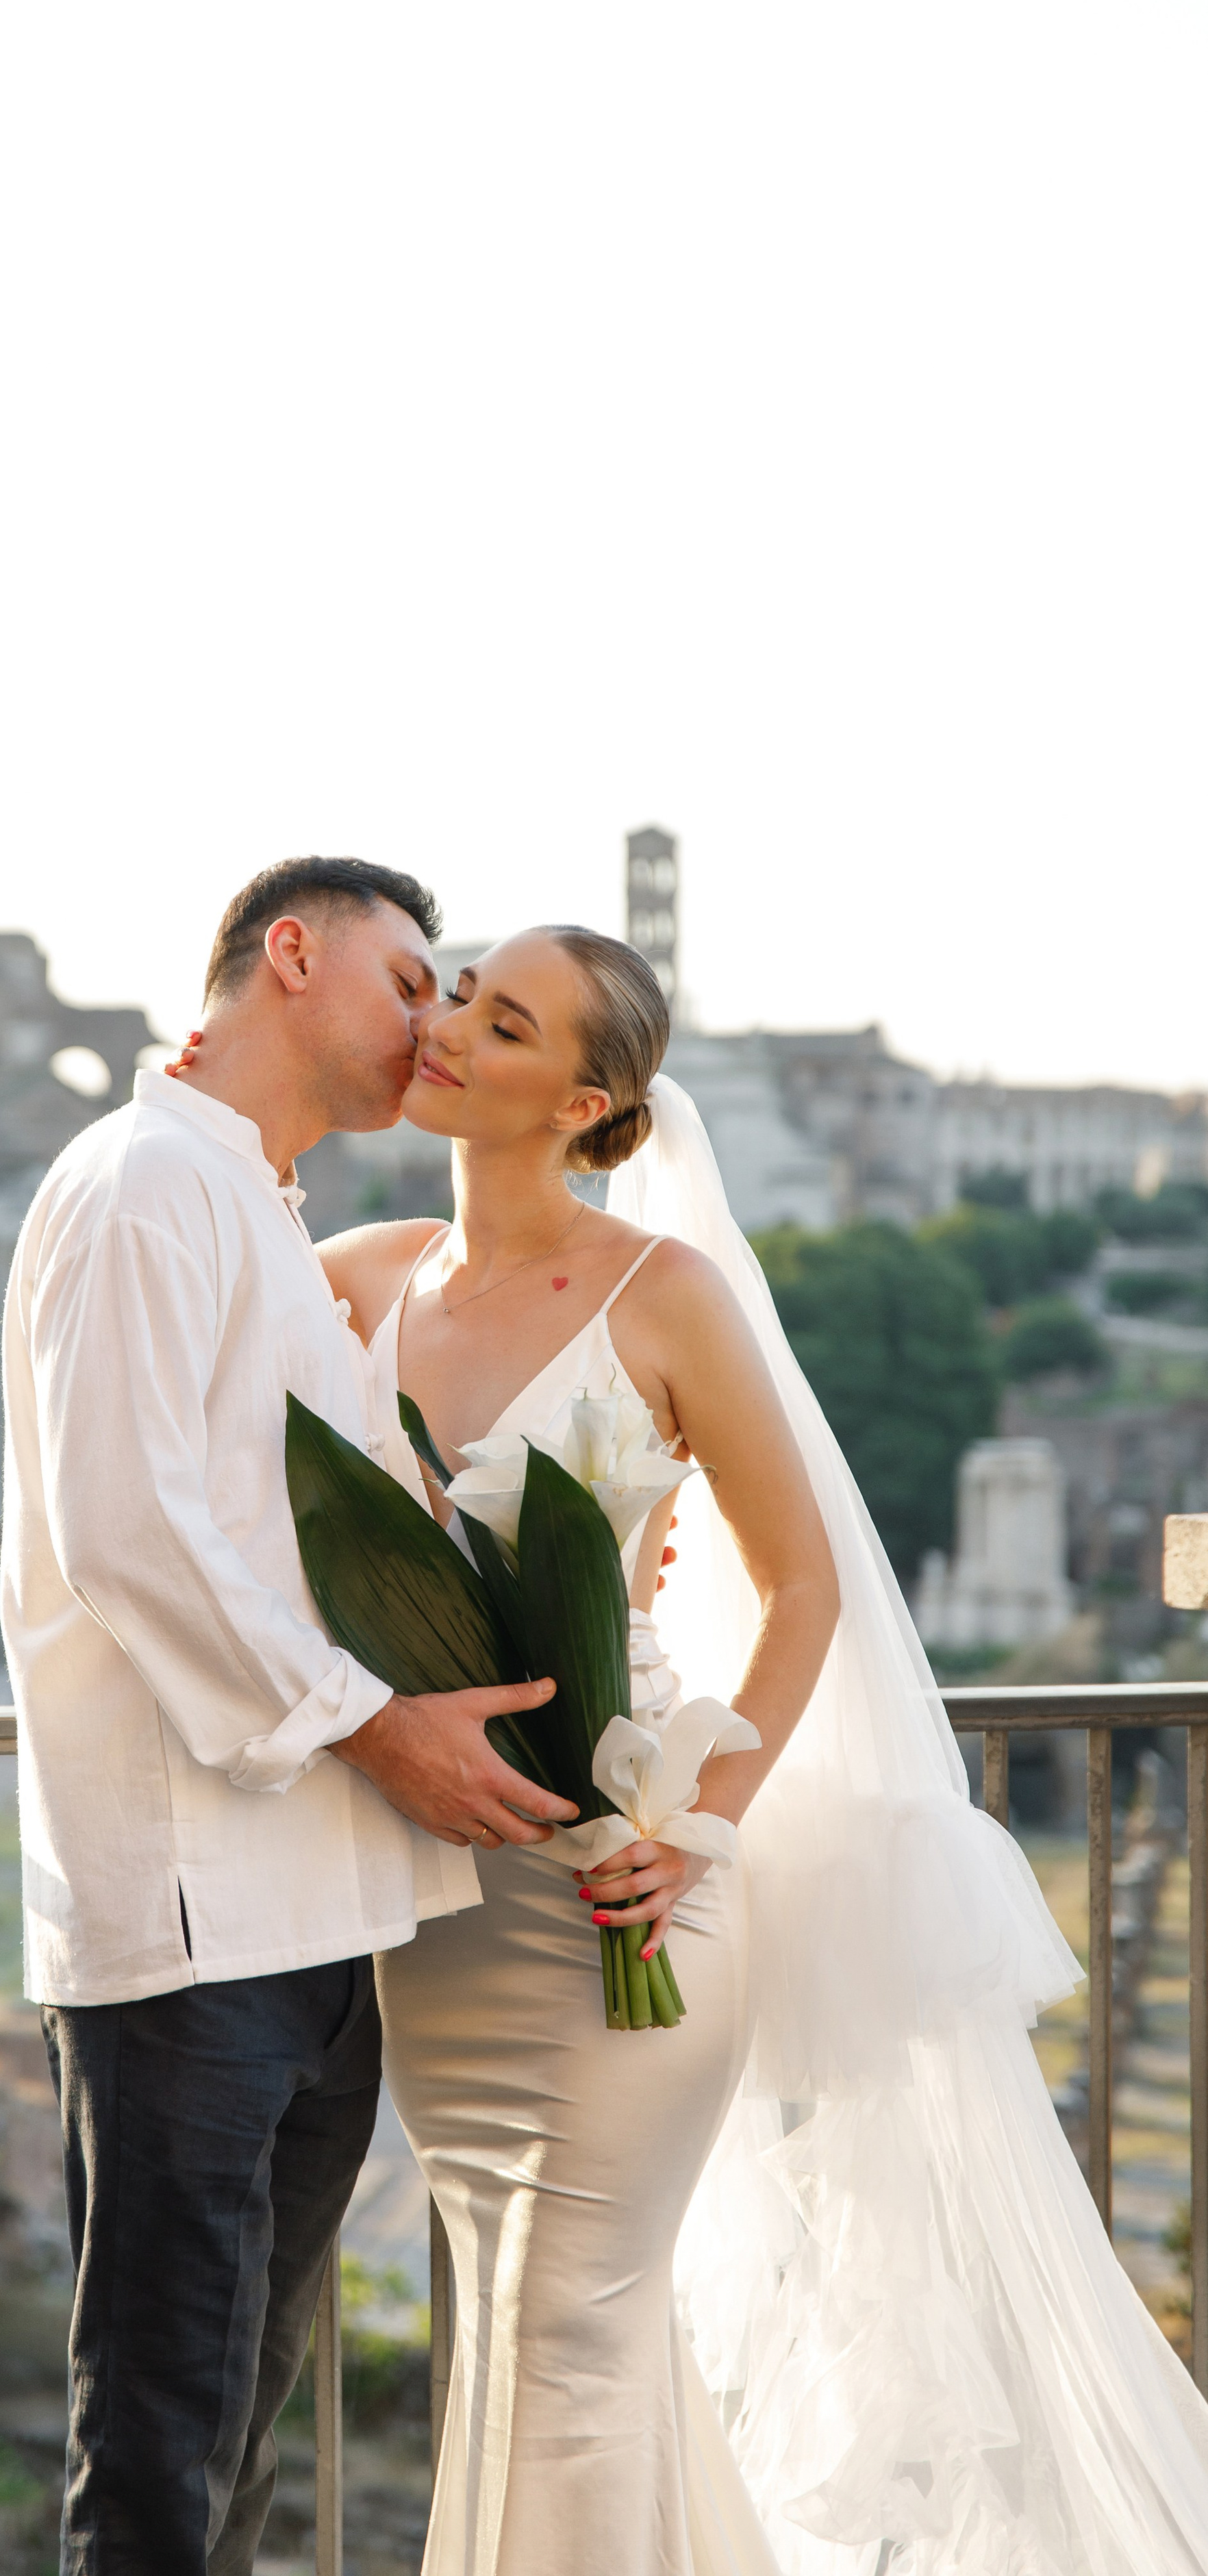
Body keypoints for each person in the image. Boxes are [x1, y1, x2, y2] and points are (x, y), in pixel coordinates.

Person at [321, 925, 1208, 2576]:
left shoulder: (667, 1295)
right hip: (440, 1908)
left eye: (498, 1021)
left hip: (625, 1893)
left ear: (583, 1101)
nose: (444, 1028)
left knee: (567, 2328)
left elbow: (801, 1585)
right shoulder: (355, 1277)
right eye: (453, 995)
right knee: (536, 2340)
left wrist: (697, 1825)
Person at [0, 857, 577, 2576]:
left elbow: (331, 1533)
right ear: (290, 953)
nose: (432, 1026)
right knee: (164, 2442)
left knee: (239, 2425)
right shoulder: (138, 1186)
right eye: (410, 984)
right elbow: (128, 1527)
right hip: (190, 1927)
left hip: (317, 1921)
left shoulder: (258, 1208)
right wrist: (377, 1726)